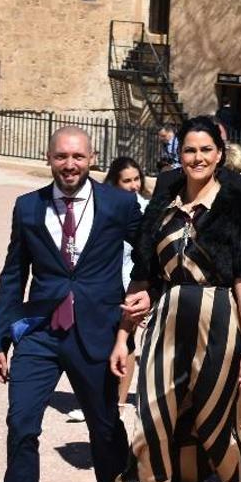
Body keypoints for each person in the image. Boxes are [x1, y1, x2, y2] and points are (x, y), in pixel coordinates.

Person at [110, 116, 241, 482]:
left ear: (220, 153)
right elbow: (143, 274)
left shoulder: (238, 197)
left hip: (219, 320)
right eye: (189, 151)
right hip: (165, 320)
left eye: (205, 150)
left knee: (214, 425)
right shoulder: (163, 193)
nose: (196, 159)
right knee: (152, 422)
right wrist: (124, 336)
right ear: (177, 153)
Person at [0, 127, 145, 482]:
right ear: (49, 158)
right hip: (40, 332)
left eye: (77, 157)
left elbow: (148, 254)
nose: (69, 165)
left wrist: (143, 293)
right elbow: (13, 273)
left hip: (97, 329)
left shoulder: (119, 204)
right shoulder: (28, 207)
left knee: (105, 428)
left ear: (92, 158)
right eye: (60, 157)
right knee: (20, 424)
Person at [102, 156, 150, 407]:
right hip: (109, 280)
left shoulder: (146, 207)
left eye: (136, 179)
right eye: (127, 180)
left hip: (132, 282)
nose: (133, 185)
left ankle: (119, 400)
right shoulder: (107, 206)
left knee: (128, 339)